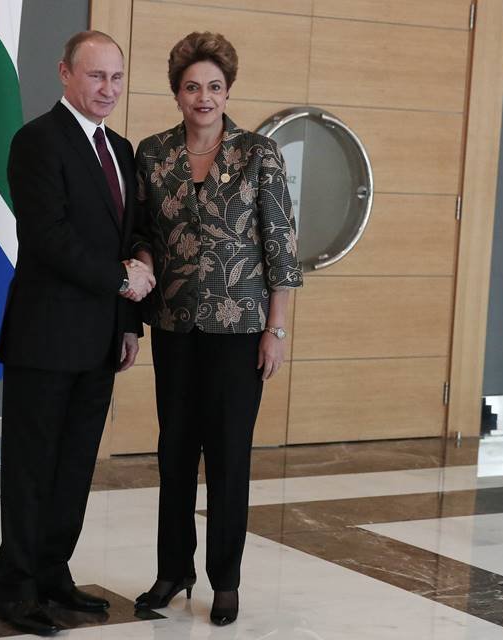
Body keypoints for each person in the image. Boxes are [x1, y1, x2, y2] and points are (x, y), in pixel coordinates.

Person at [130, 31, 302, 626]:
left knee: (228, 456)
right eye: (191, 87)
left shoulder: (259, 154)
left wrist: (276, 329)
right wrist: (142, 272)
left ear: (228, 91)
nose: (203, 97)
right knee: (175, 453)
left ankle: (224, 579)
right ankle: (173, 568)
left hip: (240, 331)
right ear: (177, 92)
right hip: (175, 327)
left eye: (214, 87)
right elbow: (144, 237)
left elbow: (281, 246)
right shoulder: (152, 155)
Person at [0, 30, 155, 637]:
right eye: (95, 77)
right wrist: (121, 280)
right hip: (45, 336)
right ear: (65, 73)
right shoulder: (36, 141)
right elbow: (49, 237)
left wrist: (131, 312)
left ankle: (54, 573)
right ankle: (17, 588)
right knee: (33, 465)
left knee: (74, 465)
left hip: (101, 339)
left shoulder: (122, 147)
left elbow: (134, 231)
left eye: (115, 77)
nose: (107, 89)